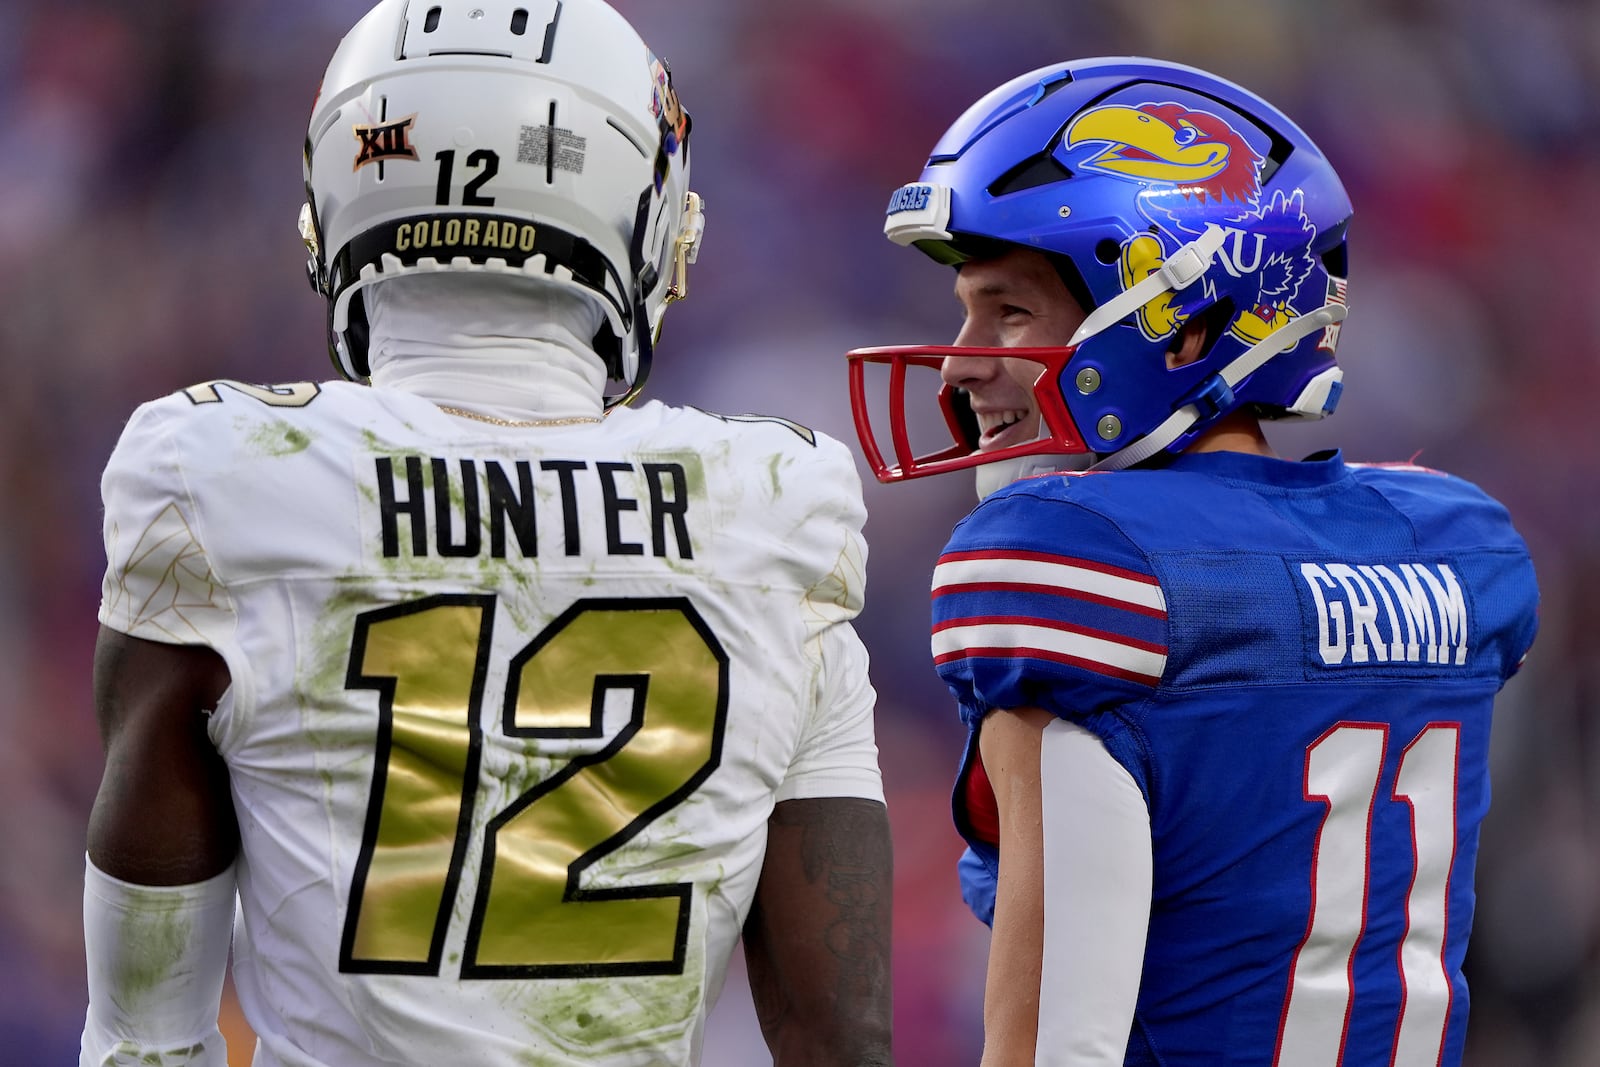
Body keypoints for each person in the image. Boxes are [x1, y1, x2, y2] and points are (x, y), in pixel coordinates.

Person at [81, 2, 894, 1065]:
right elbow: (842, 1036)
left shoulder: (217, 471)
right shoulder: (780, 497)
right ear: (640, 212)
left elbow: (146, 1039)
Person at [848, 58, 1539, 1066]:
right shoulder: (1449, 547)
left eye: (1007, 311)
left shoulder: (1078, 567)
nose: (959, 360)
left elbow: (1057, 1043)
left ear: (1188, 328)